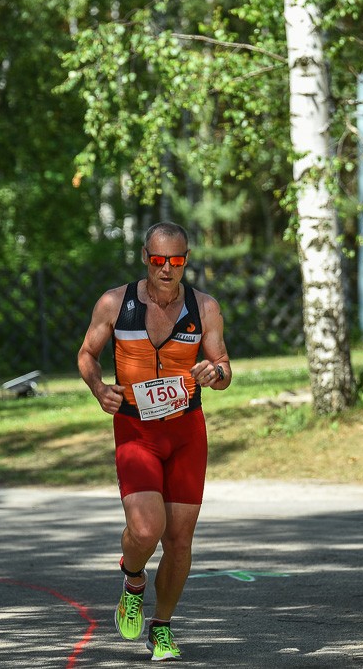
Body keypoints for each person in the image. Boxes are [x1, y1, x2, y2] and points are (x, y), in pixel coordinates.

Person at [77, 221, 231, 662]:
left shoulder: (205, 307)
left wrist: (215, 373)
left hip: (186, 432)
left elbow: (223, 367)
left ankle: (161, 627)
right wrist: (99, 388)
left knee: (179, 541)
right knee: (147, 529)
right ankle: (133, 580)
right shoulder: (114, 303)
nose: (167, 269)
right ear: (146, 257)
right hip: (136, 430)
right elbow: (87, 354)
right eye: (159, 260)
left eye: (176, 261)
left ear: (186, 260)